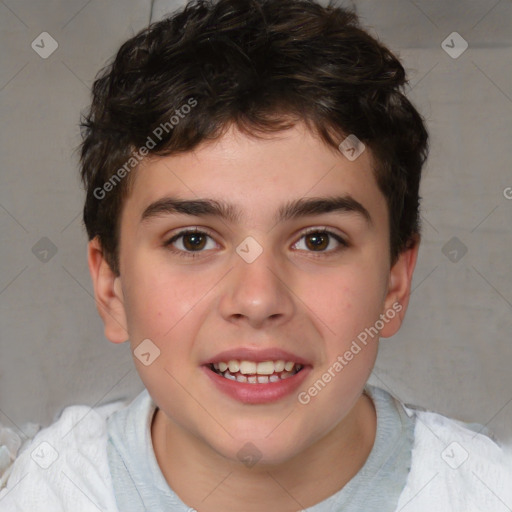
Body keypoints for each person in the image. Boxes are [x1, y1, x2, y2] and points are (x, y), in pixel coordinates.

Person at [1, 0, 511, 510]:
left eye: (318, 240)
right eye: (193, 240)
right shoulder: (37, 492)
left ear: (394, 284)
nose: (258, 298)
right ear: (111, 287)